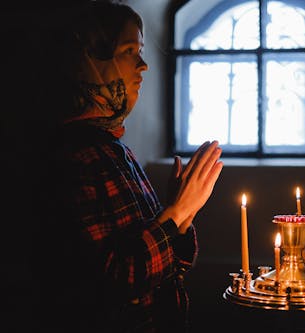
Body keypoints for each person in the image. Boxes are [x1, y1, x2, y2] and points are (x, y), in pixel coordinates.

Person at [31, 1, 223, 332]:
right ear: (90, 61)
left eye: (141, 50)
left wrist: (180, 218)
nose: (144, 65)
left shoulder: (113, 148)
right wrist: (174, 214)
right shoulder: (75, 157)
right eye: (129, 50)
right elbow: (116, 282)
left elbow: (166, 268)